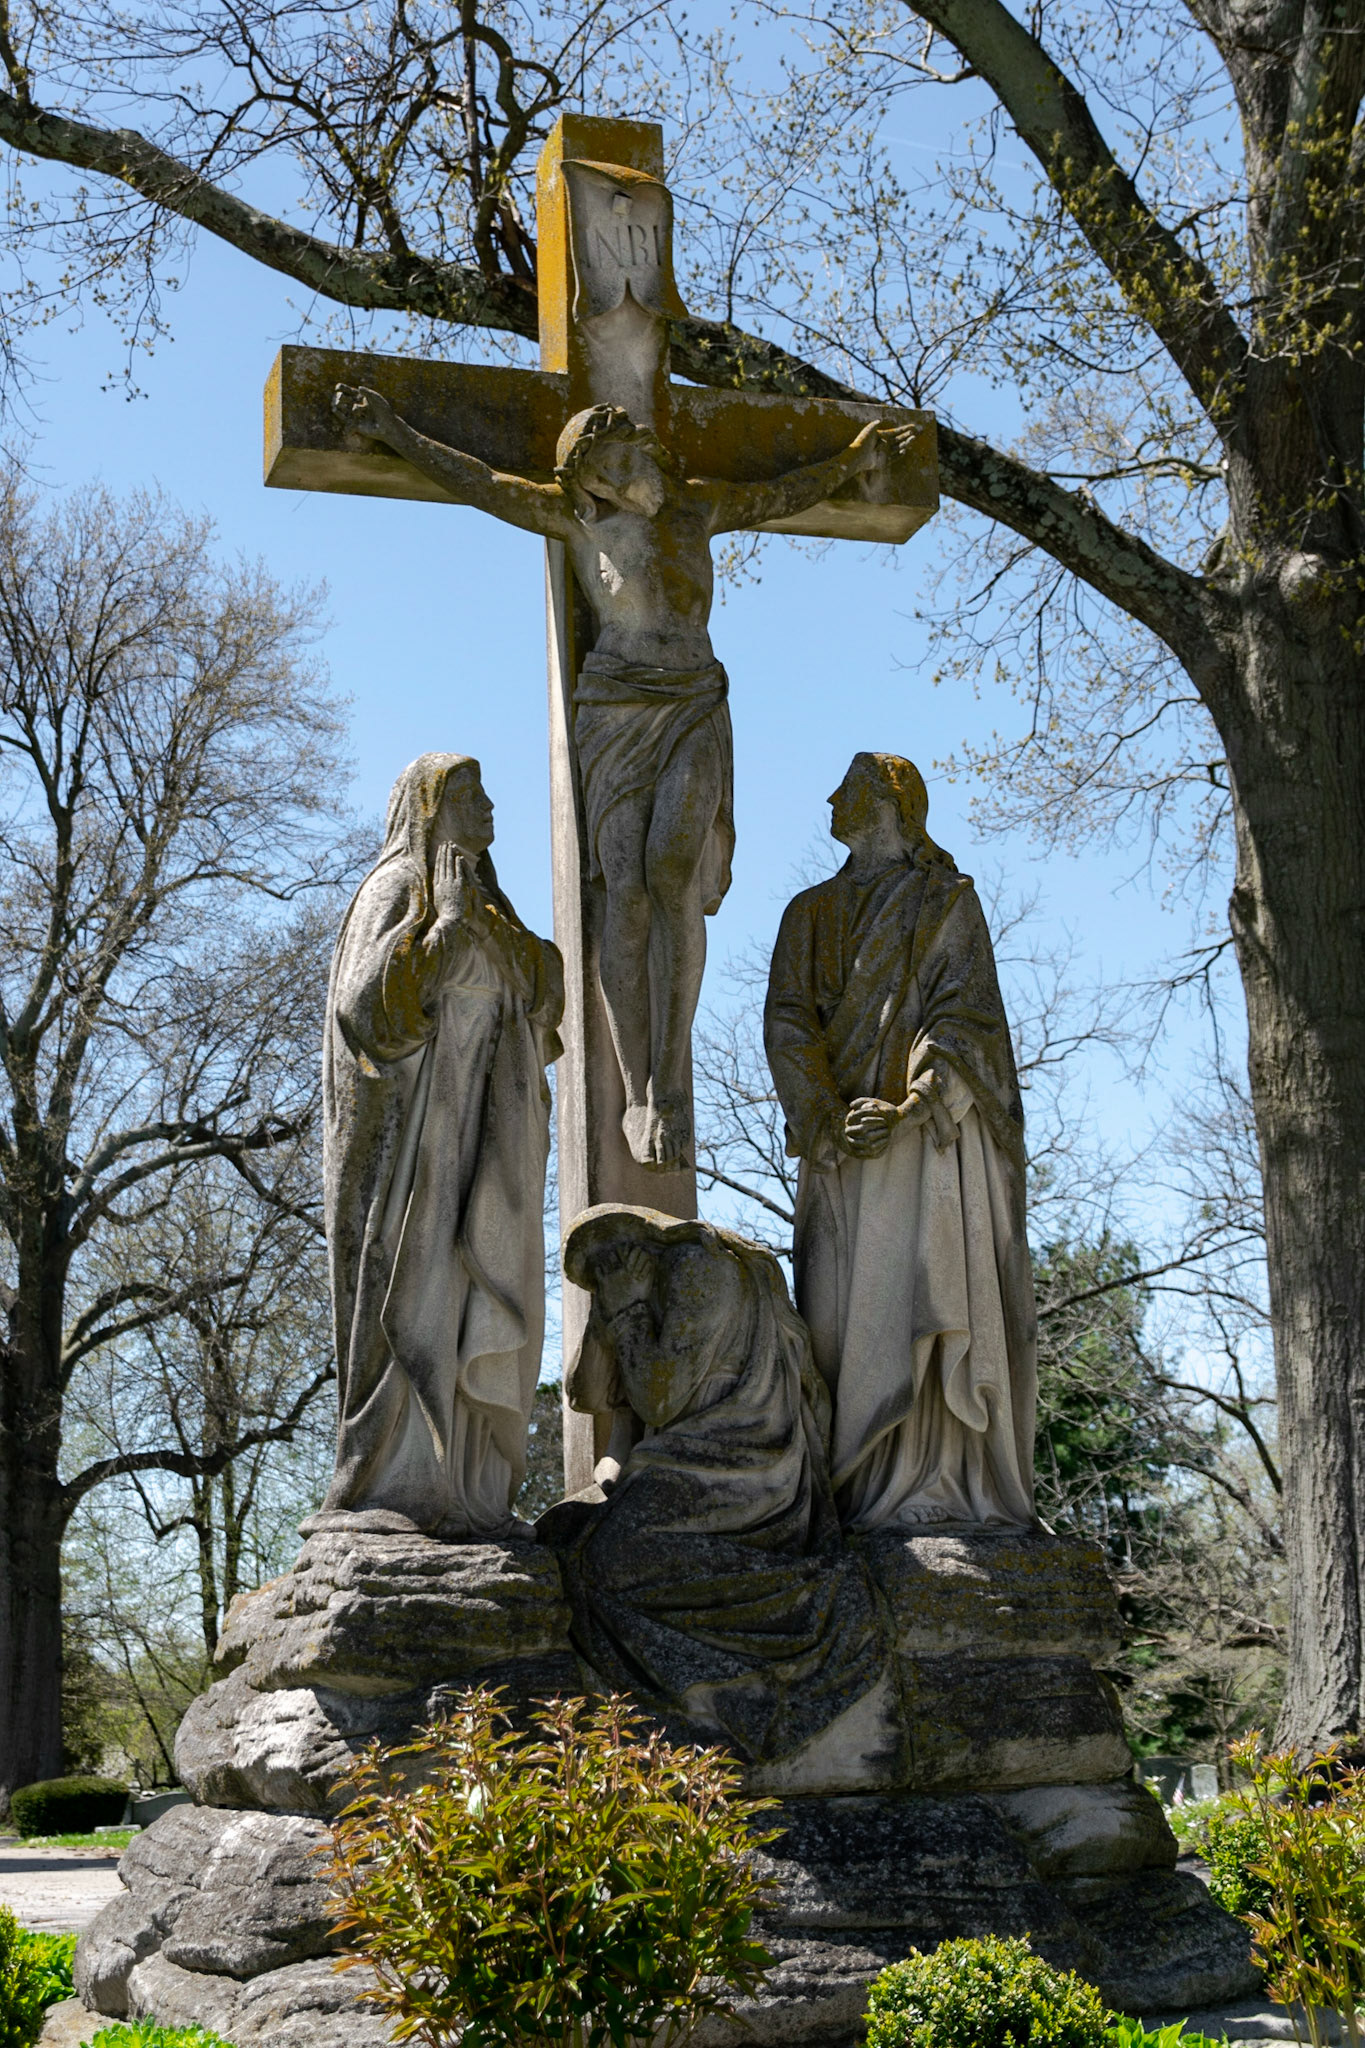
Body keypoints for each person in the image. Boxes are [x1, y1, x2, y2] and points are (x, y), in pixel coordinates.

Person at [333, 381, 914, 1171]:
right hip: (614, 716)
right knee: (625, 890)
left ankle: (670, 1079)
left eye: (621, 459)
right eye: (600, 472)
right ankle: (636, 1088)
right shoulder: (576, 522)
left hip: (693, 707)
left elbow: (783, 493)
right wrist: (394, 427)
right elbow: (479, 481)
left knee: (672, 873)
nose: (616, 479)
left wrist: (855, 460)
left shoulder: (697, 509)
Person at [763, 752, 1037, 1531]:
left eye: (845, 788)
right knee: (839, 1322)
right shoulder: (806, 914)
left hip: (927, 1139)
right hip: (836, 1149)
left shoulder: (945, 902)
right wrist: (823, 1113)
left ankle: (938, 1485)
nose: (828, 797)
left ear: (888, 801)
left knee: (926, 1294)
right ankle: (853, 1488)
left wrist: (910, 1106)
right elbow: (786, 1021)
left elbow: (965, 1016)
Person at [313, 752, 563, 1540]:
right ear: (429, 807)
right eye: (471, 793)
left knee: (472, 1286)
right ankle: (392, 1484)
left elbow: (543, 997)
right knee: (411, 1295)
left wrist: (496, 938)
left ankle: (473, 1490)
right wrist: (445, 926)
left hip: (485, 1137)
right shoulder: (397, 889)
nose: (489, 806)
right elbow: (366, 1013)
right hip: (415, 1149)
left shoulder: (493, 904)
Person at [557, 1203, 887, 1763]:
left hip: (751, 1467)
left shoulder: (697, 1267)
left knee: (608, 1562)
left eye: (609, 1259)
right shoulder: (640, 1284)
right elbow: (596, 1407)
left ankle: (741, 1672)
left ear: (641, 1236)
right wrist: (610, 1310)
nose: (606, 1277)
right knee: (564, 1535)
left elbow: (659, 1396)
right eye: (595, 1275)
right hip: (692, 1461)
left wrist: (630, 1308)